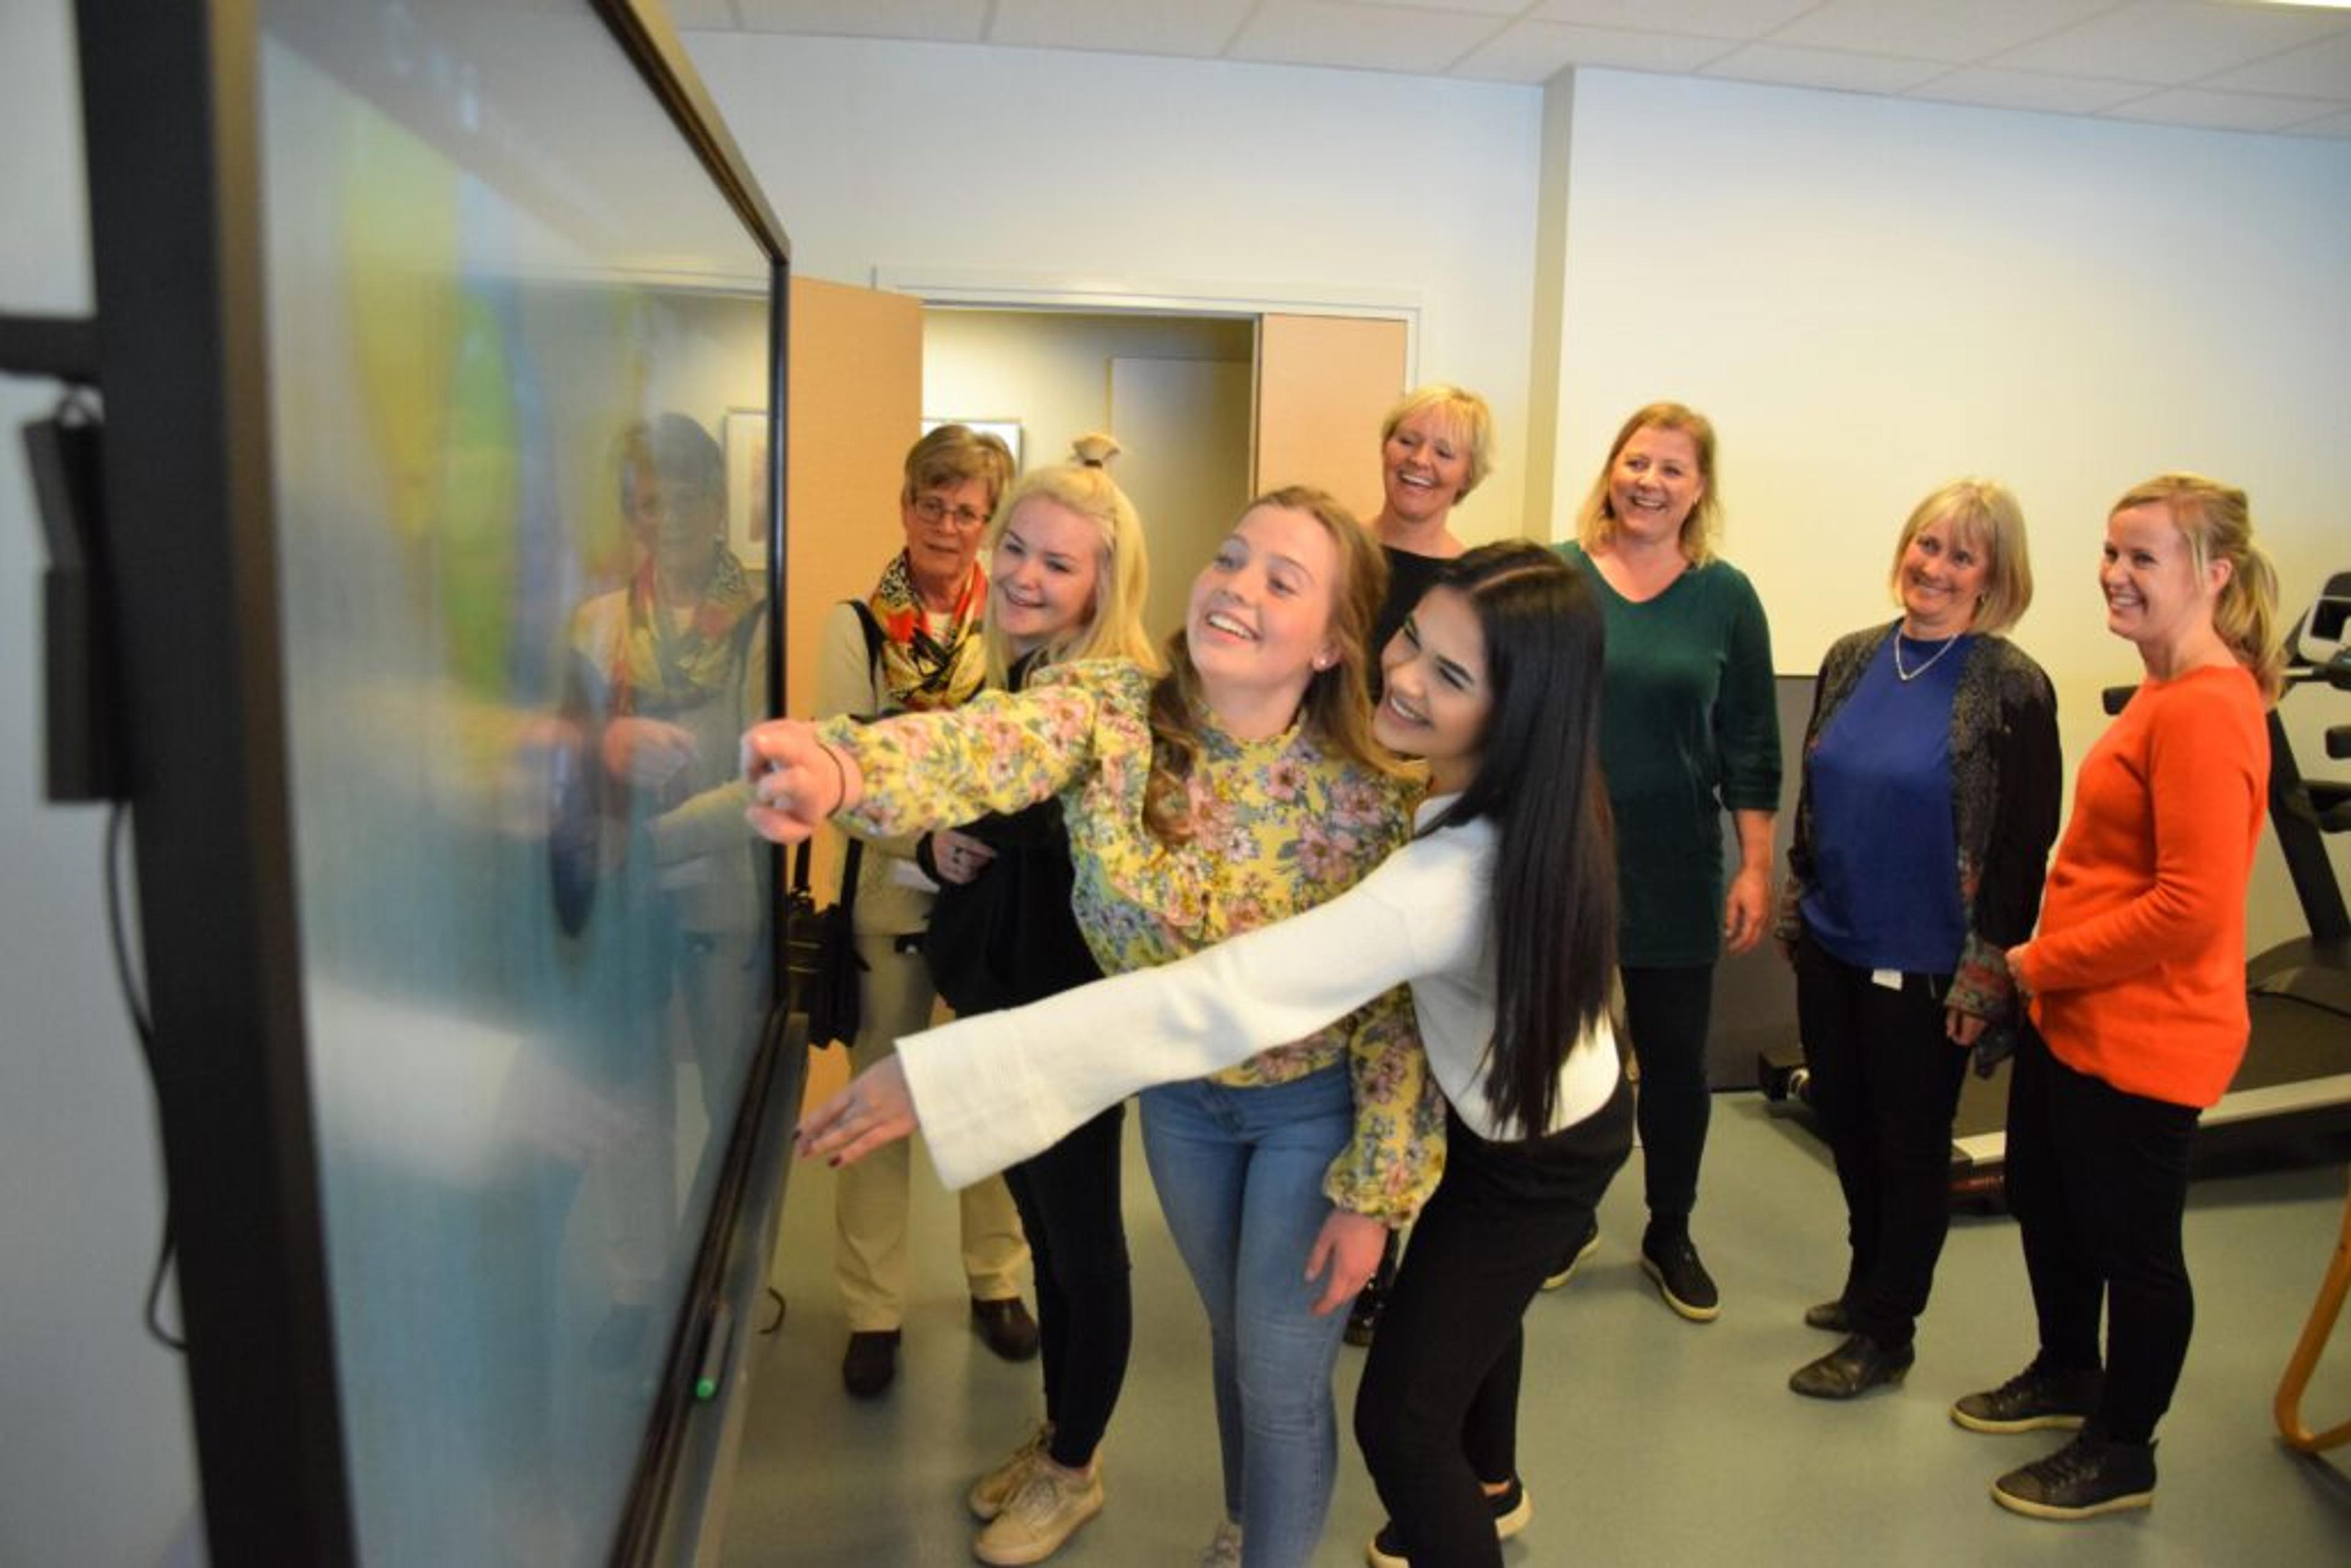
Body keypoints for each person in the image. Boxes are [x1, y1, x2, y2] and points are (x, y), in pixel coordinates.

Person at [795, 543, 1630, 1568]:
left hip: (1535, 1148)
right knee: (1419, 1355)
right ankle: (1490, 1480)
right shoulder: (1476, 786)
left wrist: (945, 1073)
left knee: (1403, 1420)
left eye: (1450, 675)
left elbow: (1222, 996)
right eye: (1413, 639)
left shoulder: (1435, 868)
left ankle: (1478, 1489)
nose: (1406, 675)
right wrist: (841, 765)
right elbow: (989, 744)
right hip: (1445, 1099)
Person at [1955, 474, 2281, 1521]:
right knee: (2048, 1201)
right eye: (2112, 551)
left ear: (2213, 574)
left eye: (2144, 557)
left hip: (2147, 1032)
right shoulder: (2161, 687)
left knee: (2136, 1251)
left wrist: (2037, 964)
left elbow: (2189, 907)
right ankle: (2067, 1370)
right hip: (2079, 1017)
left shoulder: (2211, 709)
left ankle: (2124, 1448)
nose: (2116, 573)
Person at [917, 437, 1161, 1566]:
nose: (1021, 574)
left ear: (1103, 585)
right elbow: (979, 798)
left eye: (1057, 564)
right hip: (1007, 994)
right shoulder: (1020, 675)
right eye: (1014, 546)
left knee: (1082, 1242)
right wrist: (942, 837)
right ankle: (1065, 1429)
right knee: (1046, 1233)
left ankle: (1075, 1467)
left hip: (1072, 1013)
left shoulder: (1106, 696)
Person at [1774, 479, 2061, 1400]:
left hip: (1932, 962)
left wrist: (1989, 971)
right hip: (1834, 941)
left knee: (1909, 1146)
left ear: (1994, 578)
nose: (1934, 567)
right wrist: (1799, 897)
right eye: (1927, 544)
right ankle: (1868, 1283)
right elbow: (1817, 793)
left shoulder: (2012, 686)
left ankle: (1889, 1333)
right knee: (1846, 1123)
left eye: (1961, 556)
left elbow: (2023, 844)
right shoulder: (1854, 656)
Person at [1554, 401, 1780, 1320]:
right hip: (1562, 862)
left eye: (1672, 469)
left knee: (1676, 1064)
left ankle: (1669, 1228)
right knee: (1563, 1055)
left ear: (1699, 489)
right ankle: (1567, 1214)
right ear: (1612, 469)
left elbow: (1752, 740)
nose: (1649, 482)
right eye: (1636, 462)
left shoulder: (1727, 597)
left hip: (1676, 864)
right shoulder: (1558, 578)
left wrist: (1755, 865)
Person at [822, 423, 1033, 1400]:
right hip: (893, 895)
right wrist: (922, 844)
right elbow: (842, 774)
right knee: (879, 1107)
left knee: (992, 1097)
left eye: (968, 511)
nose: (948, 525)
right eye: (932, 504)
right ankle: (873, 1308)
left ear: (988, 521)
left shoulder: (1013, 624)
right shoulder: (856, 627)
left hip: (993, 901)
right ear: (905, 505)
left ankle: (997, 1279)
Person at [1348, 383, 1494, 1348]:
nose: (1420, 460)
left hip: (1418, 824)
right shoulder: (1338, 553)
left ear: (1469, 475)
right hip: (1323, 818)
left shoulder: (1474, 584)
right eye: (1408, 438)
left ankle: (1382, 1243)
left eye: (1444, 451)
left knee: (1400, 1043)